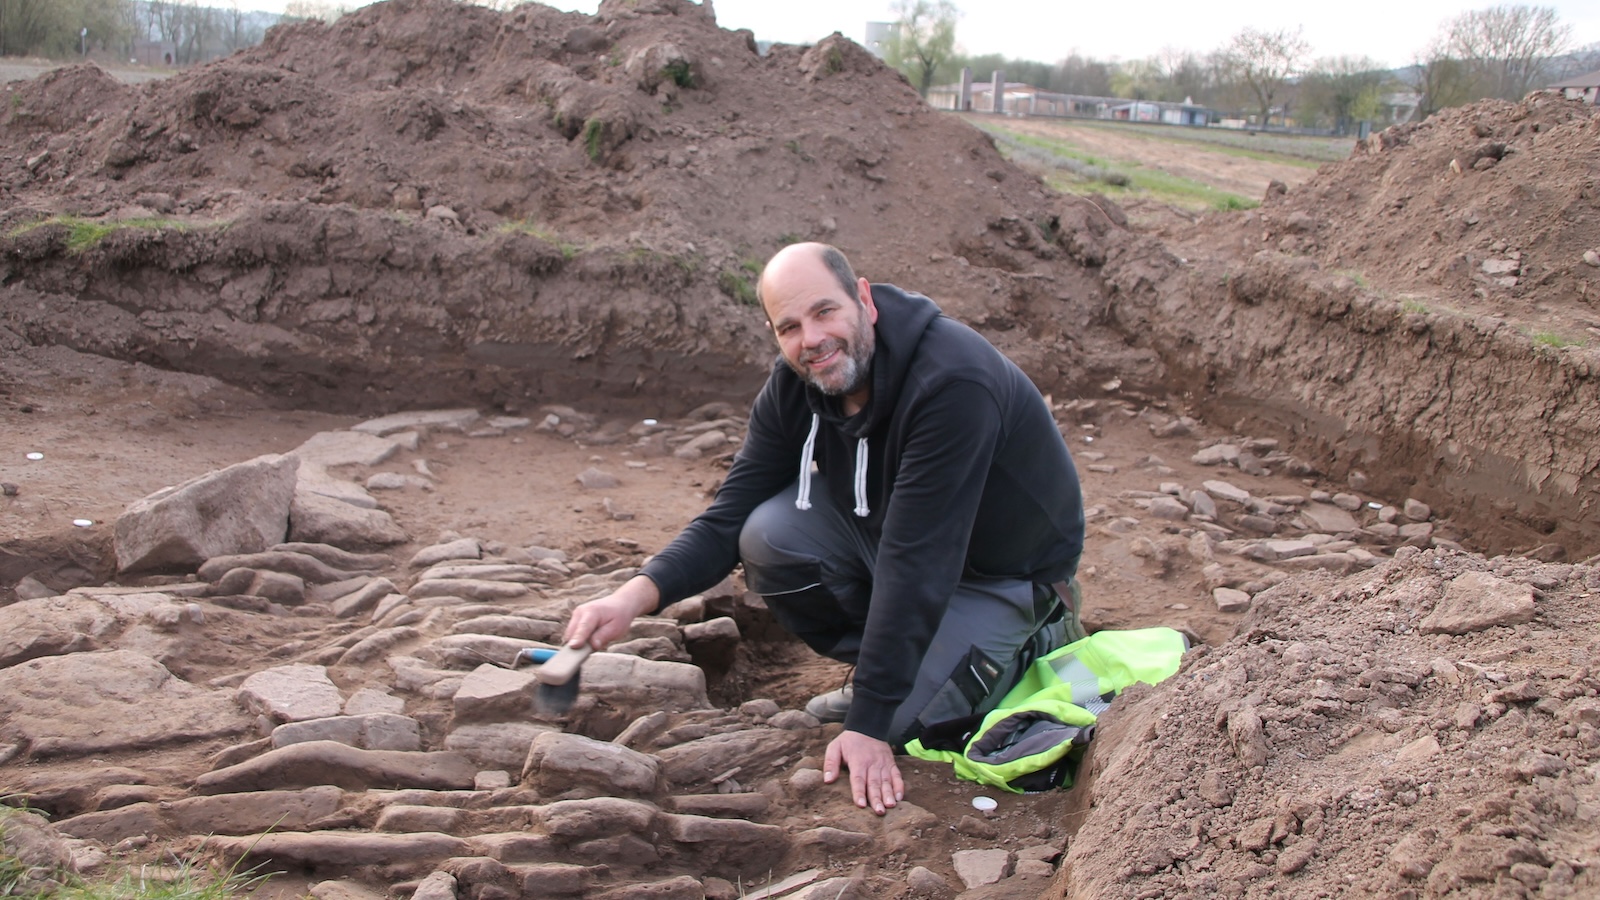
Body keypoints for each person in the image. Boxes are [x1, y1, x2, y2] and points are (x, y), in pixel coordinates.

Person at [564, 242, 1084, 815]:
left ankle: (1035, 634)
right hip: (895, 542)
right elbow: (729, 513)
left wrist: (868, 723)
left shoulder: (951, 383)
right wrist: (631, 597)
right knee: (767, 534)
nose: (810, 339)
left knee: (907, 726)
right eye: (789, 326)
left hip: (1002, 571)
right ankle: (915, 660)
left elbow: (917, 563)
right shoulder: (796, 384)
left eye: (823, 312)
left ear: (863, 298)